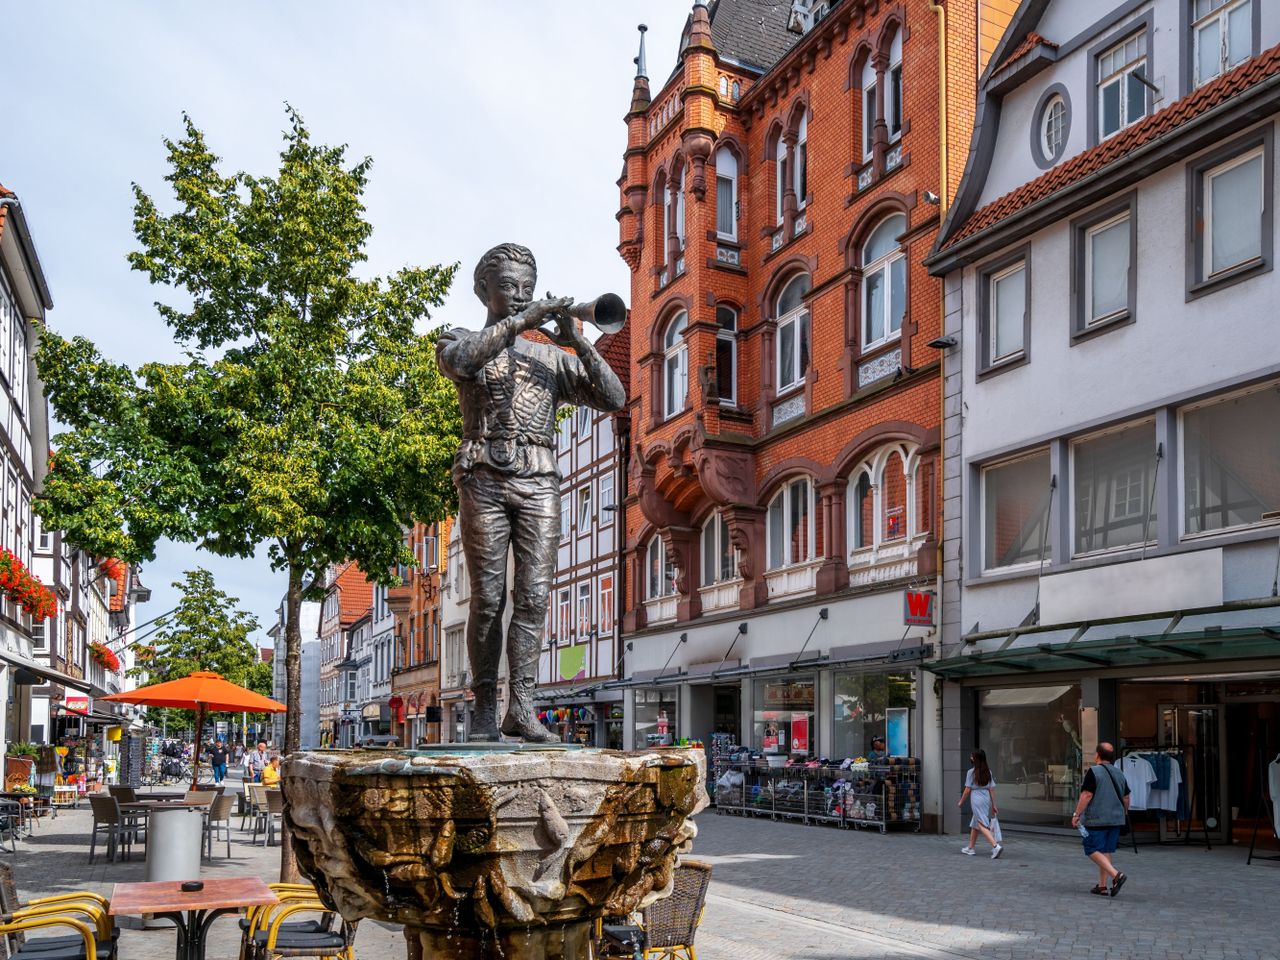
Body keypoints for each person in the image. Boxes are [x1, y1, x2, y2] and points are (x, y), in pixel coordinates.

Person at [436, 243, 625, 742]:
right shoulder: (459, 338)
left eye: (527, 288)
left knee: (535, 596)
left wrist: (575, 340)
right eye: (510, 288)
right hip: (484, 475)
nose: (521, 297)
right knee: (489, 597)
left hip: (540, 478)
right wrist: (522, 324)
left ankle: (521, 704)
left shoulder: (550, 358)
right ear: (484, 290)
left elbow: (614, 397)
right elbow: (463, 361)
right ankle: (482, 706)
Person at [1071, 741, 1130, 897]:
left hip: (1097, 818)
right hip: (1116, 819)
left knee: (1091, 848)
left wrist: (1077, 814)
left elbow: (1087, 795)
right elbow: (1126, 797)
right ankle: (1102, 886)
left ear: (1097, 754)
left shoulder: (1094, 772)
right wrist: (1124, 813)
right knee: (1106, 850)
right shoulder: (1119, 773)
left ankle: (1116, 875)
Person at [959, 748, 1002, 859]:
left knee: (981, 825)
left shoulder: (971, 772)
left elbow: (967, 789)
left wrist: (961, 802)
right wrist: (994, 805)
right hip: (985, 799)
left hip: (976, 799)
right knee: (976, 823)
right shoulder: (988, 772)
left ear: (976, 759)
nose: (970, 757)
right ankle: (971, 848)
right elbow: (991, 789)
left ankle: (995, 846)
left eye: (972, 756)